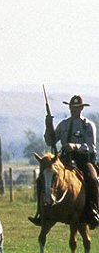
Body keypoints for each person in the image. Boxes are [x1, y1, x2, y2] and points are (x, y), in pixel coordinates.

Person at [29, 95, 99, 228]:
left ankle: (93, 210)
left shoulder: (88, 125)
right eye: (72, 107)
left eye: (77, 107)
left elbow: (91, 147)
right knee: (42, 179)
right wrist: (48, 126)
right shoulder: (64, 124)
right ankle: (41, 212)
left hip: (83, 159)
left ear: (82, 108)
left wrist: (75, 146)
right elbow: (50, 141)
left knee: (92, 178)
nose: (74, 109)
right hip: (64, 159)